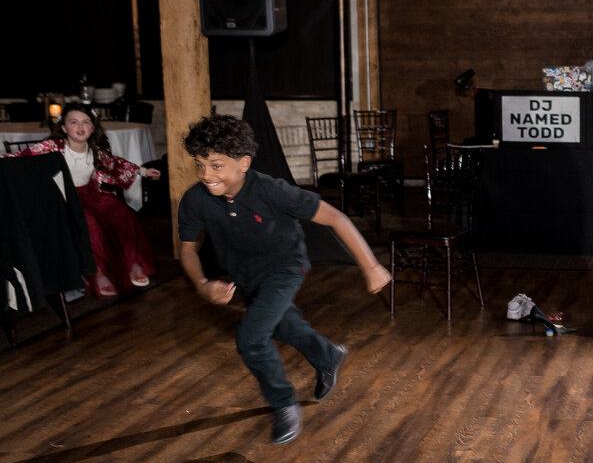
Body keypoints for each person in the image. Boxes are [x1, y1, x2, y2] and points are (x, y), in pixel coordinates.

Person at [178, 114, 391, 445]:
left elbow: (335, 217)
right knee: (282, 325)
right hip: (245, 275)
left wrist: (371, 266)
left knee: (251, 337)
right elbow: (188, 251)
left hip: (284, 266)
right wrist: (203, 285)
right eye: (200, 165)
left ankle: (284, 403)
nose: (207, 174)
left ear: (243, 163)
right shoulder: (195, 200)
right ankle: (327, 356)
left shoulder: (271, 191)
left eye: (216, 165)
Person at [9, 104, 160, 298]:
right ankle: (98, 272)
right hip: (63, 199)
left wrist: (143, 171)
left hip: (92, 195)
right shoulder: (52, 148)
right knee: (89, 222)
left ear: (92, 127)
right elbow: (20, 159)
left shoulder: (95, 151)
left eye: (86, 122)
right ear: (63, 127)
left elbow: (116, 164)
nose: (80, 127)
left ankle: (133, 264)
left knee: (122, 213)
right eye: (74, 122)